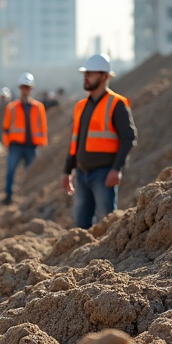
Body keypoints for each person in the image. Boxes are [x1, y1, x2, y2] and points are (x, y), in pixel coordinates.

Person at [62, 54, 137, 229]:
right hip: (81, 174)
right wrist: (67, 171)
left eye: (91, 74)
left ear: (104, 76)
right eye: (85, 74)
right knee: (80, 226)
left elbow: (129, 137)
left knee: (106, 225)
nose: (86, 77)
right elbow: (76, 141)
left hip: (104, 175)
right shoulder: (81, 106)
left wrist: (116, 169)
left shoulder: (117, 103)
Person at [1, 73, 47, 205]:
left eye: (27, 87)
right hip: (15, 145)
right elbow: (6, 128)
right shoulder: (12, 107)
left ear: (31, 88)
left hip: (32, 146)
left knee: (31, 174)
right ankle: (8, 196)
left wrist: (43, 143)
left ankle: (31, 198)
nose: (25, 89)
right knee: (10, 172)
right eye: (23, 87)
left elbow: (43, 127)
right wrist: (6, 144)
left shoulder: (39, 107)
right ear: (20, 88)